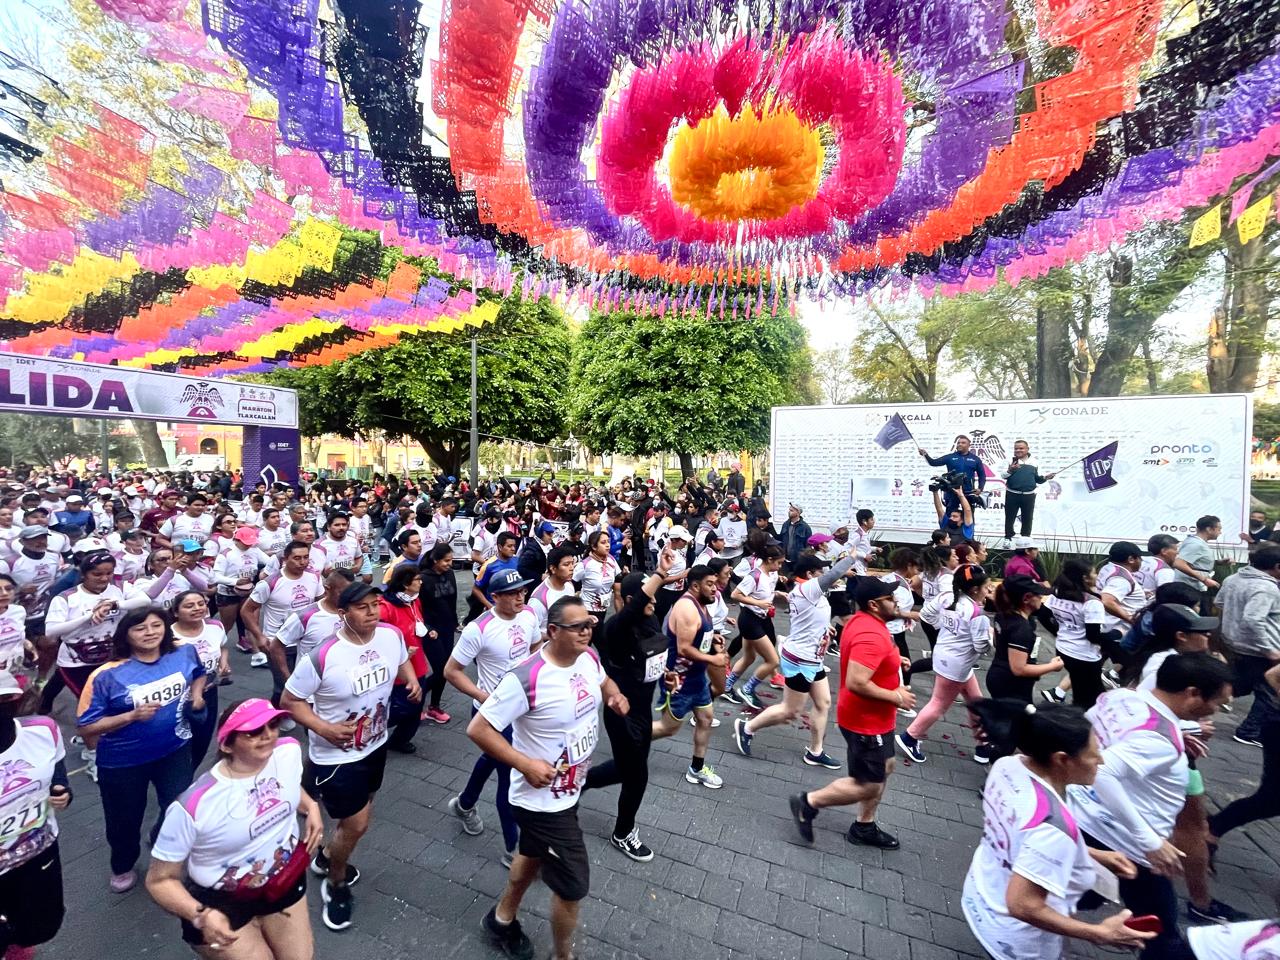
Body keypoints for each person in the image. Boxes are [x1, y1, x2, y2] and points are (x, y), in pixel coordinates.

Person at [472, 595, 628, 960]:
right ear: (553, 631)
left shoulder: (588, 657)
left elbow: (605, 681)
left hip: (569, 790)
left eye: (590, 625)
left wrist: (615, 695)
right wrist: (524, 763)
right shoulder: (526, 677)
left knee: (531, 855)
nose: (588, 632)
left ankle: (501, 919)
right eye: (578, 627)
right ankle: (562, 956)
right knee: (572, 887)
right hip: (540, 802)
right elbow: (479, 729)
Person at [1067, 653, 1235, 960]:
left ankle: (1025, 911)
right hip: (1126, 843)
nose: (1217, 710)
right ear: (1192, 693)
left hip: (1089, 821)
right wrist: (1150, 840)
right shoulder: (1157, 739)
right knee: (1161, 934)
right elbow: (1104, 772)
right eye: (1219, 703)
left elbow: (1093, 737)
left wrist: (1176, 740)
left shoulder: (1121, 697)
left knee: (1079, 893)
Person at [961, 699, 1151, 960]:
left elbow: (1018, 836)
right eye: (1093, 753)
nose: (1101, 760)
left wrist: (1091, 854)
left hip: (981, 896)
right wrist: (1101, 933)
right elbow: (1023, 904)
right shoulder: (1053, 827)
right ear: (1062, 759)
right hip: (1019, 942)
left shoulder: (1008, 766)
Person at [282, 582, 419, 931]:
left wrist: (412, 679)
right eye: (363, 607)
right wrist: (323, 728)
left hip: (375, 745)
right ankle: (336, 882)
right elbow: (290, 701)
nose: (372, 612)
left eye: (376, 605)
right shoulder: (324, 655)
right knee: (357, 825)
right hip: (336, 757)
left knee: (357, 816)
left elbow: (402, 658)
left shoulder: (389, 635)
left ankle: (327, 856)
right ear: (343, 613)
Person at [147, 699, 324, 960]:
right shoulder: (195, 805)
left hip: (283, 878)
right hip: (222, 902)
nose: (268, 735)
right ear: (227, 744)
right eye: (253, 731)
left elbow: (288, 785)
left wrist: (310, 807)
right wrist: (202, 915)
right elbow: (160, 881)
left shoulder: (288, 752)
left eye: (273, 724)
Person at [76, 609, 207, 892]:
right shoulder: (106, 676)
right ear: (125, 635)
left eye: (156, 625)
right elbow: (86, 727)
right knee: (124, 819)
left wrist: (196, 696)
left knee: (178, 807)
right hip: (122, 763)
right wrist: (130, 717)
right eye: (140, 628)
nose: (150, 632)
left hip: (175, 750)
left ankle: (166, 849)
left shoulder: (183, 653)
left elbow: (199, 674)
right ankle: (122, 864)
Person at [788, 578, 912, 849]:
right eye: (890, 598)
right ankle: (808, 803)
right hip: (867, 723)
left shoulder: (861, 621)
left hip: (876, 719)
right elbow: (857, 681)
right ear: (874, 605)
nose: (897, 601)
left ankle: (864, 826)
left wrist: (893, 659)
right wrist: (897, 696)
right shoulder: (871, 634)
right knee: (868, 784)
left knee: (886, 766)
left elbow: (868, 658)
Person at [587, 549, 679, 862]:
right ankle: (623, 832)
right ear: (630, 601)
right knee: (637, 775)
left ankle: (579, 782)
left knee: (629, 769)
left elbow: (654, 657)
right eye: (649, 600)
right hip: (620, 715)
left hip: (643, 711)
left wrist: (667, 677)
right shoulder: (615, 628)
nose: (654, 605)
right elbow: (640, 601)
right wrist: (660, 573)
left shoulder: (650, 619)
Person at [444, 569, 541, 865]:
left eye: (522, 591)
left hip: (523, 709)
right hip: (493, 715)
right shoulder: (479, 628)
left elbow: (536, 649)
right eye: (512, 594)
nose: (519, 597)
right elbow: (451, 671)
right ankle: (514, 848)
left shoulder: (529, 616)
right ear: (494, 597)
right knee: (508, 776)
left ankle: (464, 803)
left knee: (495, 759)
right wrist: (483, 696)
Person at [734, 551, 856, 767]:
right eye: (820, 571)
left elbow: (809, 616)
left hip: (813, 658)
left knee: (823, 702)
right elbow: (835, 574)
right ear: (809, 574)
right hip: (800, 659)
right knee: (790, 710)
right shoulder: (808, 589)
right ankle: (746, 728)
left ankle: (815, 752)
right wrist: (855, 555)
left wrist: (824, 628)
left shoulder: (810, 593)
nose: (825, 575)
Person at [0, 671, 72, 957]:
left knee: (42, 926)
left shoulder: (43, 730)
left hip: (37, 850)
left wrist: (62, 789)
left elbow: (57, 768)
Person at [898, 565, 994, 764]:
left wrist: (946, 629)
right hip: (957, 665)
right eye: (986, 587)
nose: (989, 590)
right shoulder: (976, 613)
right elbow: (981, 647)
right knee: (939, 704)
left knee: (976, 701)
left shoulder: (947, 597)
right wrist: (991, 638)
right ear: (975, 589)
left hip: (947, 657)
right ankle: (909, 737)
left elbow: (926, 615)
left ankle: (982, 746)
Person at [651, 565, 727, 788]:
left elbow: (697, 635)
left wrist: (712, 640)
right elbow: (684, 647)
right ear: (695, 585)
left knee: (705, 718)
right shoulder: (686, 608)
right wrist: (713, 660)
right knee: (668, 728)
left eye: (715, 583)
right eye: (710, 584)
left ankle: (696, 769)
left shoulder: (702, 604)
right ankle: (630, 739)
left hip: (697, 678)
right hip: (679, 681)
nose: (715, 588)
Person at [1214, 543, 1280, 749]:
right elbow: (1253, 619)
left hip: (1236, 642)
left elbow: (1220, 603)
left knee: (1242, 683)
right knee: (1267, 692)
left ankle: (1205, 699)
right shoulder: (1266, 588)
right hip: (1262, 648)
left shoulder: (1233, 578)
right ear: (1277, 566)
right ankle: (1250, 731)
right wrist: (1269, 649)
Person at [242, 543, 324, 703]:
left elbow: (321, 603)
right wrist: (259, 637)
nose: (302, 562)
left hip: (307, 642)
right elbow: (246, 610)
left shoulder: (314, 577)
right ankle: (275, 719)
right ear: (285, 559)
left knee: (308, 683)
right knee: (284, 686)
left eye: (306, 557)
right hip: (279, 643)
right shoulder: (270, 583)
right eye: (297, 558)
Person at [377, 563, 432, 755]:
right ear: (405, 583)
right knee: (402, 707)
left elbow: (418, 621)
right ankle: (373, 731)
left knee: (416, 707)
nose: (421, 582)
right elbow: (376, 637)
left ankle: (400, 740)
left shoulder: (414, 600)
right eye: (417, 579)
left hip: (417, 664)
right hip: (399, 667)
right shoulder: (386, 608)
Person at [723, 544, 786, 709]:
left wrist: (777, 594)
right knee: (773, 661)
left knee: (749, 658)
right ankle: (748, 689)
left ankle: (726, 686)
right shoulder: (754, 575)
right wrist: (758, 603)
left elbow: (765, 591)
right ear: (769, 560)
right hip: (750, 619)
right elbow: (735, 594)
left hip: (762, 618)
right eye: (778, 563)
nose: (780, 567)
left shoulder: (772, 574)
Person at [170, 591, 228, 764]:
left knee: (202, 740)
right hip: (178, 698)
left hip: (209, 692)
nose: (197, 609)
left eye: (201, 604)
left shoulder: (215, 626)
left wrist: (223, 662)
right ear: (175, 612)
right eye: (189, 606)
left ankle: (190, 773)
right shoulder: (167, 636)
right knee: (178, 742)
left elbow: (223, 646)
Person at [986, 576, 1062, 707]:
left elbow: (997, 643)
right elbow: (1019, 669)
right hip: (1011, 685)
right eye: (1038, 594)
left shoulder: (1002, 614)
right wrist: (1052, 666)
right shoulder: (1021, 628)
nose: (1041, 598)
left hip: (999, 676)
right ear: (1026, 598)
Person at [1044, 560, 1109, 710]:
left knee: (1080, 690)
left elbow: (1043, 615)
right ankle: (1081, 723)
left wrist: (1059, 631)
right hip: (1085, 656)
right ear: (1085, 578)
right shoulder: (1092, 603)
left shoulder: (1058, 594)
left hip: (1063, 649)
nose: (1097, 575)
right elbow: (1093, 635)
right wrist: (1110, 638)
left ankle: (1076, 714)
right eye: (1094, 572)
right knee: (1095, 698)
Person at [418, 542, 458, 725]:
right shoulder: (423, 579)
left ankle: (434, 706)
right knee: (442, 670)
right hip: (430, 630)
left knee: (445, 670)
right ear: (435, 560)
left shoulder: (450, 574)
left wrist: (455, 621)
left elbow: (452, 599)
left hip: (448, 627)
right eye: (446, 561)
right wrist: (427, 628)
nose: (449, 564)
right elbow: (418, 607)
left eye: (451, 560)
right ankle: (416, 696)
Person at [918, 435, 986, 515]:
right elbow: (933, 462)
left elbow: (982, 476)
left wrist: (980, 488)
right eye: (958, 443)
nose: (960, 444)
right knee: (950, 517)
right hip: (952, 492)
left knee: (968, 517)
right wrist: (925, 454)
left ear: (969, 445)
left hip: (968, 492)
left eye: (963, 443)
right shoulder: (950, 457)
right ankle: (948, 528)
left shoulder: (975, 459)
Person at [1002, 440, 1055, 539]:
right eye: (1016, 448)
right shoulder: (1010, 461)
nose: (1018, 450)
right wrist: (1010, 470)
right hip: (1012, 494)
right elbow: (1003, 475)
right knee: (1009, 518)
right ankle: (1008, 537)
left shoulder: (1035, 462)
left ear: (1027, 449)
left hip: (1029, 495)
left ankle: (1025, 539)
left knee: (1027, 518)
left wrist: (1046, 478)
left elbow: (1038, 480)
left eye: (1021, 448)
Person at [1172, 516, 1221, 614]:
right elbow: (1178, 563)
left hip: (1195, 587)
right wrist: (1204, 579)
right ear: (1209, 529)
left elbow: (1197, 563)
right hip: (1190, 588)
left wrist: (1220, 562)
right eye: (1219, 529)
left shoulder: (1198, 543)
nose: (1220, 532)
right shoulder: (1195, 544)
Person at [525, 546, 578, 636]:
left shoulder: (569, 585)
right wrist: (555, 636)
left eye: (572, 563)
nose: (572, 568)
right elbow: (531, 632)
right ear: (553, 569)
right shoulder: (538, 599)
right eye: (566, 564)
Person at [778, 503, 812, 569]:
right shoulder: (785, 524)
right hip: (784, 560)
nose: (789, 512)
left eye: (792, 510)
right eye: (789, 510)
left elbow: (808, 546)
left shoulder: (805, 527)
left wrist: (804, 559)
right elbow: (781, 540)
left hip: (798, 561)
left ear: (798, 512)